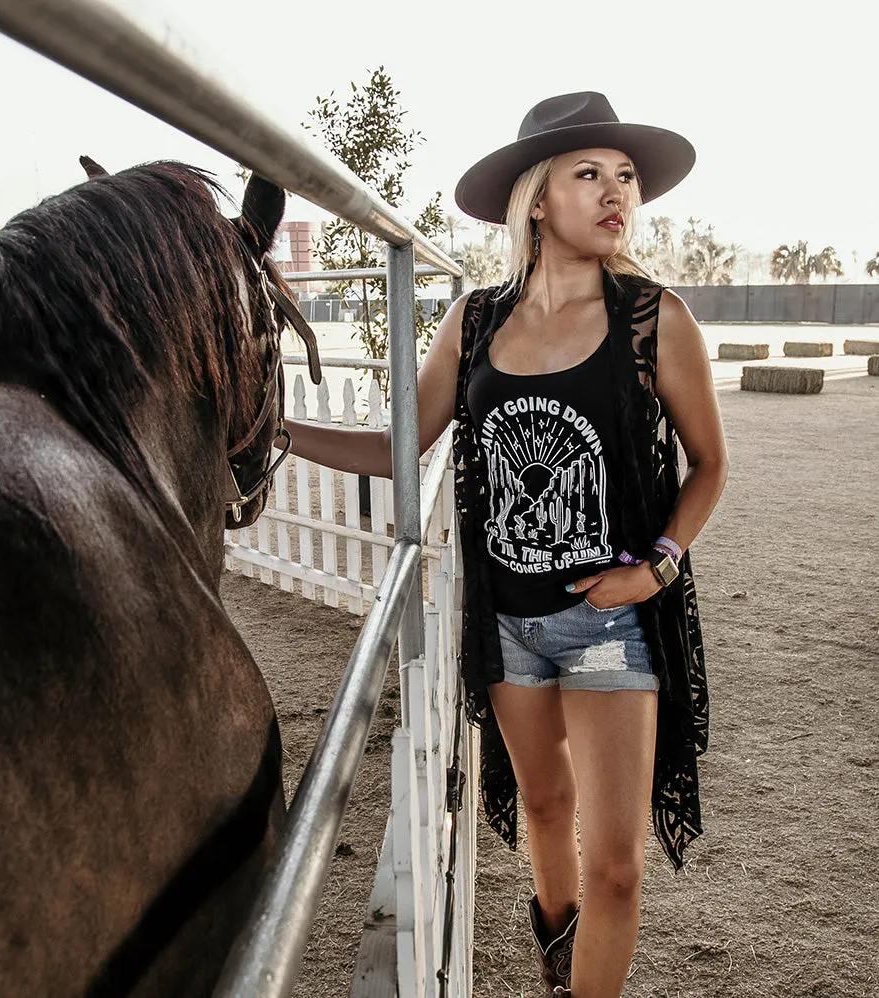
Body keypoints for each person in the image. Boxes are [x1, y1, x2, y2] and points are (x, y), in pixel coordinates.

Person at [286, 92, 727, 998]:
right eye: (589, 174)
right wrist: (276, 430)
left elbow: (709, 465)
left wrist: (658, 566)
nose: (616, 195)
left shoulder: (653, 319)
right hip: (511, 628)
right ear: (537, 198)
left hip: (611, 629)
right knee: (542, 804)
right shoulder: (476, 323)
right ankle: (558, 956)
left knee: (616, 866)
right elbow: (397, 449)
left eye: (626, 178)